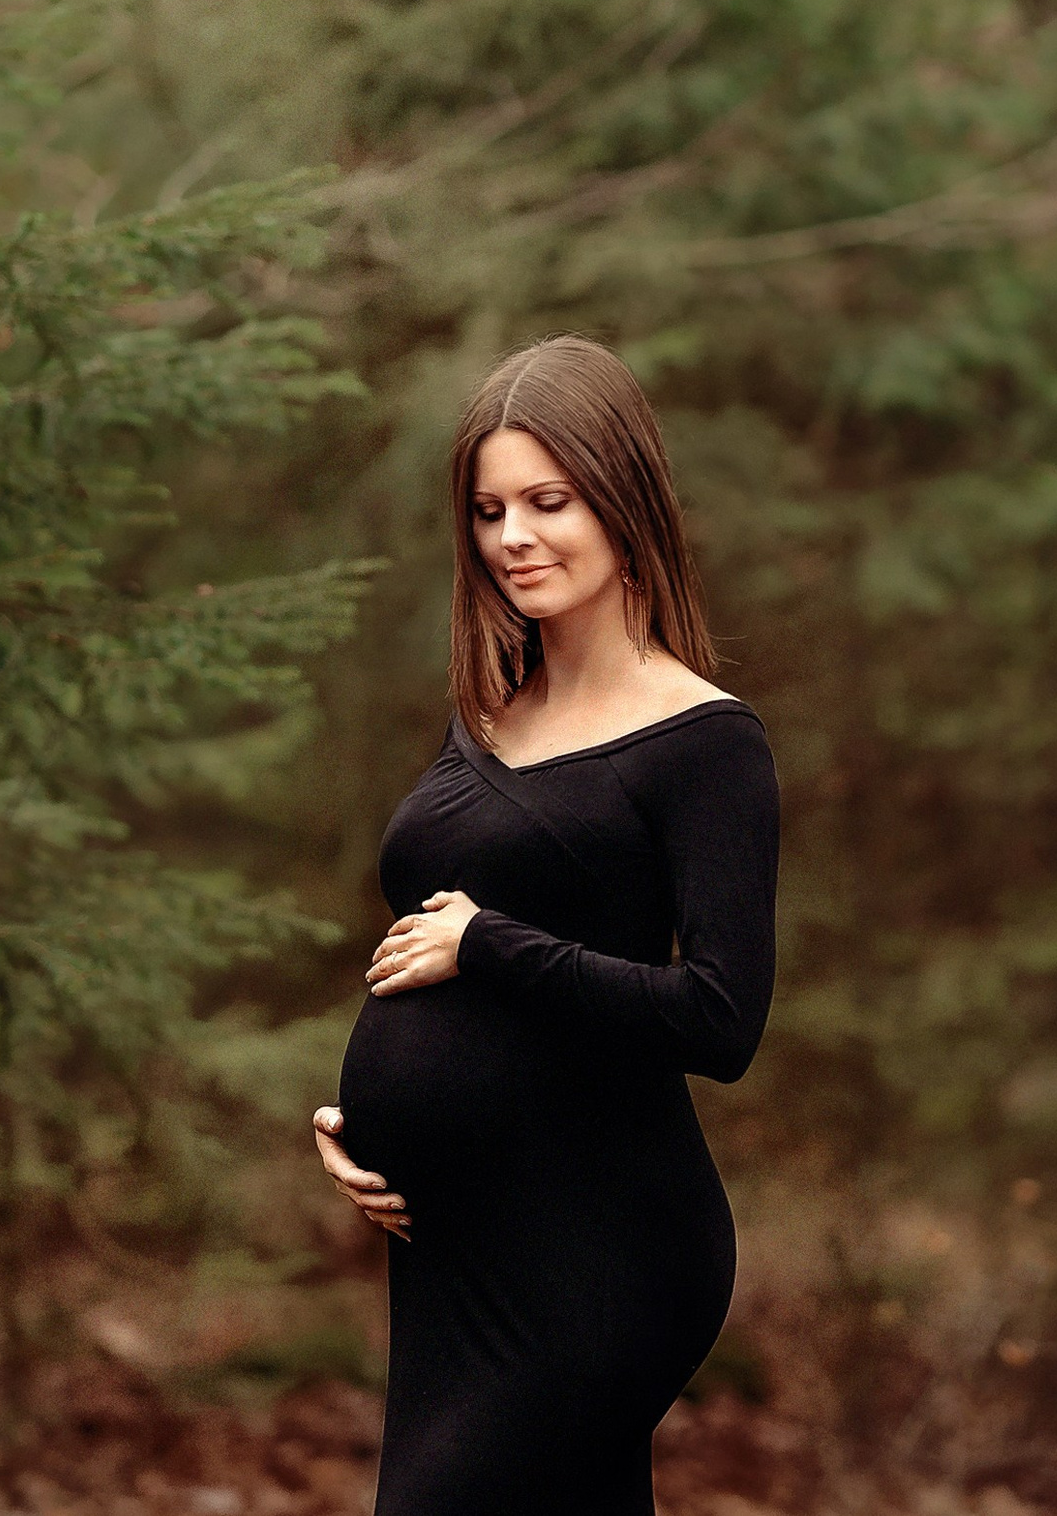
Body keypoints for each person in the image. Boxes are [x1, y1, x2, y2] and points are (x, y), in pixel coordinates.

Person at [310, 334, 782, 1515]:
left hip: (603, 1249)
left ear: (623, 499)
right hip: (454, 1251)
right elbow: (437, 965)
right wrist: (365, 1122)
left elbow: (719, 1017)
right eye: (488, 510)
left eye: (547, 501)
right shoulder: (487, 714)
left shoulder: (705, 742)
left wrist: (491, 944)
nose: (512, 536)